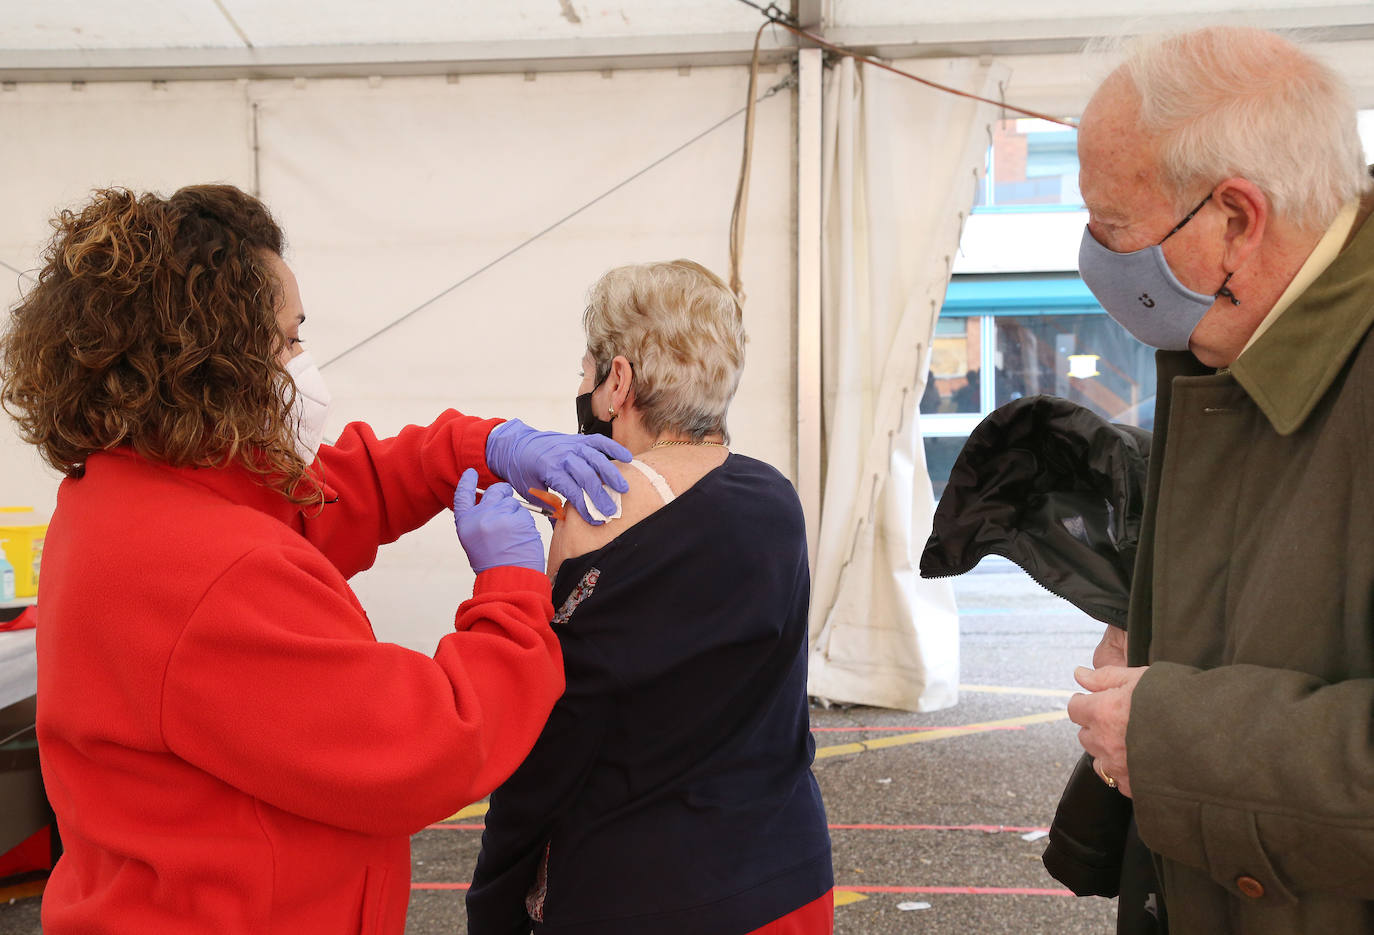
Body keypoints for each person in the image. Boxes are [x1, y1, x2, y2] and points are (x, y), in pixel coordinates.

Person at [0, 183, 633, 935]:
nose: (302, 362)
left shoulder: (135, 489)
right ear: (213, 361)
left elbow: (326, 493)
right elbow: (430, 744)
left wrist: (479, 447)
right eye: (289, 337)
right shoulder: (208, 575)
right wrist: (510, 590)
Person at [1065, 26, 1374, 933]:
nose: (1095, 260)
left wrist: (1169, 735)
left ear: (1236, 221)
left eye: (1113, 229)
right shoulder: (1225, 342)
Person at [466, 260, 833, 935]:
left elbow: (553, 742)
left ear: (620, 380)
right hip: (786, 875)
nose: (581, 390)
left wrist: (491, 895)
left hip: (642, 892)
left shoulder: (591, 515)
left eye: (587, 372)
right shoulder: (776, 499)